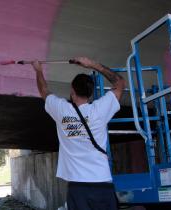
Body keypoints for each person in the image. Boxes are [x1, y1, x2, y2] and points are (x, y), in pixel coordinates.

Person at [31, 57, 125, 210]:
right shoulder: (99, 110)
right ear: (90, 93)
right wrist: (93, 64)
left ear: (72, 92)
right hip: (103, 185)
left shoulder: (61, 110)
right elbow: (119, 83)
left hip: (77, 189)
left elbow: (44, 91)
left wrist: (38, 70)